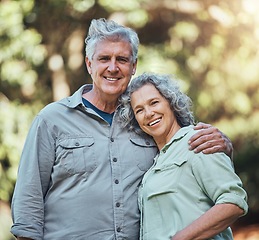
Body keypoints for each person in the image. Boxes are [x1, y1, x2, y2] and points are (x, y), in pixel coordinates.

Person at [11, 18, 233, 240]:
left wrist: (223, 146)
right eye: (104, 58)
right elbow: (28, 201)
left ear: (133, 66)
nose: (113, 67)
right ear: (89, 64)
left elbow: (189, 160)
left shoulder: (148, 121)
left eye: (122, 59)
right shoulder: (52, 120)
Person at [120, 72, 248, 240]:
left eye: (154, 102)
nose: (149, 113)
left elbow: (233, 202)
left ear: (171, 103)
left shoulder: (198, 140)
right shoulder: (155, 162)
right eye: (139, 110)